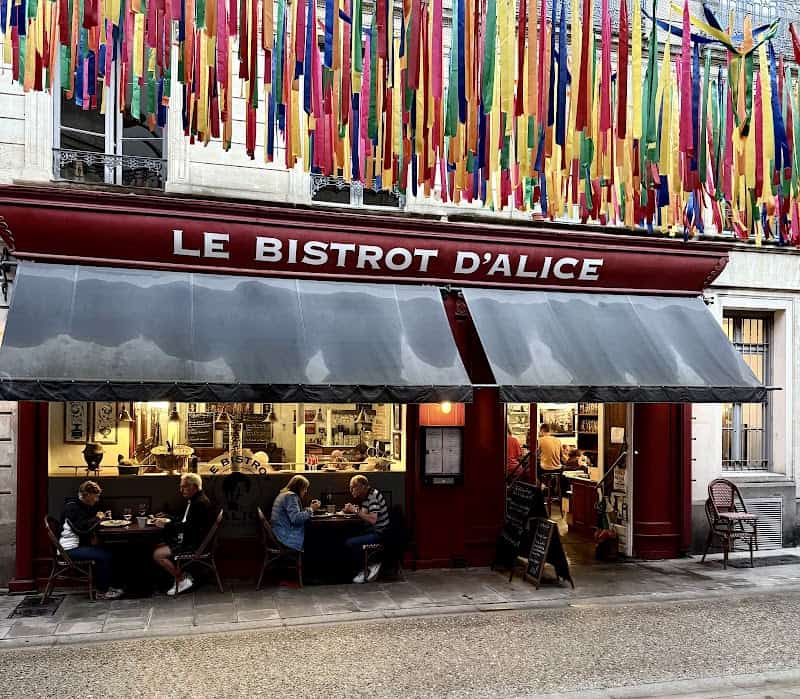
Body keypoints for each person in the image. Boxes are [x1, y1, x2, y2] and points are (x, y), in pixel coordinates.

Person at [152, 473, 215, 596]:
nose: (181, 490)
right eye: (181, 487)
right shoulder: (195, 500)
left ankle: (181, 580)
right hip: (190, 539)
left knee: (157, 554)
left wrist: (166, 525)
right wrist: (168, 518)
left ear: (195, 486)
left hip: (193, 544)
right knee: (157, 545)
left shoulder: (200, 504)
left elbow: (189, 528)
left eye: (185, 487)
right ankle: (177, 577)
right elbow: (185, 520)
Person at [59, 480, 123, 600]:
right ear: (87, 495)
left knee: (109, 550)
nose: (97, 500)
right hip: (69, 549)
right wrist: (97, 518)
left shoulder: (81, 505)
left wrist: (100, 517)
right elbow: (81, 529)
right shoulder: (72, 507)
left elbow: (86, 522)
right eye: (95, 496)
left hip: (77, 546)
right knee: (105, 555)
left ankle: (107, 586)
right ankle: (102, 592)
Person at [344, 475, 389, 583]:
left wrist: (355, 511)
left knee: (350, 542)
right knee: (347, 536)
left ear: (362, 486)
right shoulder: (366, 496)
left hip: (380, 534)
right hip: (372, 531)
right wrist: (352, 510)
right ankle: (364, 567)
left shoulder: (372, 496)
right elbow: (364, 514)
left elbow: (373, 519)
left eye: (353, 487)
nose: (351, 490)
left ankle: (368, 567)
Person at [270, 475, 321, 551]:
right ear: (299, 488)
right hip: (285, 536)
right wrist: (311, 509)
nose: (306, 491)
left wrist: (309, 509)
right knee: (319, 535)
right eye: (305, 488)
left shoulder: (285, 494)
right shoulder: (291, 497)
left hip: (278, 532)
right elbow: (296, 519)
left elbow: (293, 513)